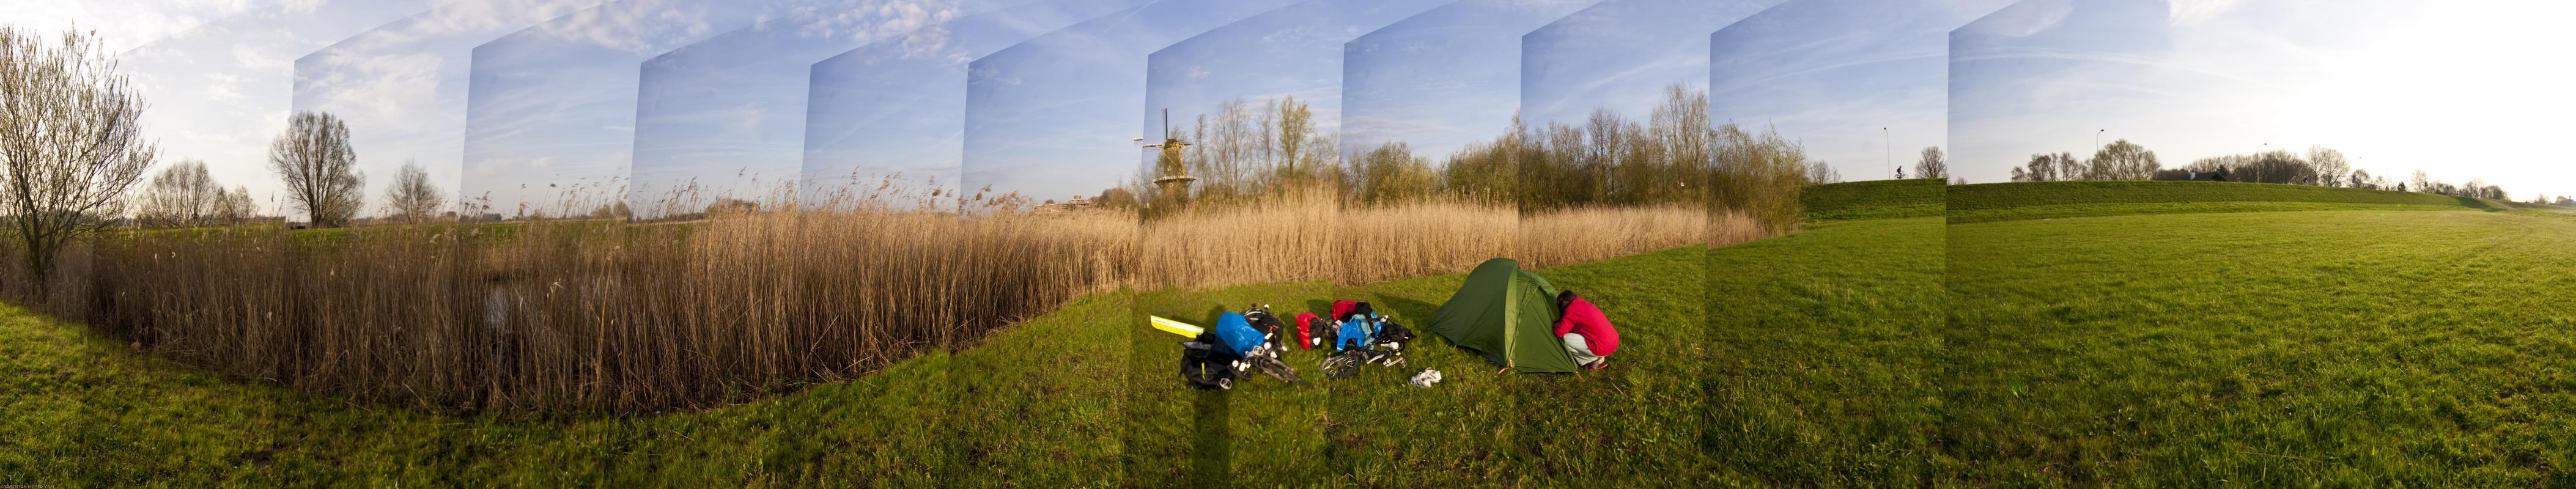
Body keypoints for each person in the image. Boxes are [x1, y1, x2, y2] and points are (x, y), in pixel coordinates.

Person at [1554, 290, 1618, 370]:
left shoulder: (1571, 310)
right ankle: (1596, 358)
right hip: (1612, 343)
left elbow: (1559, 332)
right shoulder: (1584, 304)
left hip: (1601, 347)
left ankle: (1594, 360)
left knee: (1563, 339)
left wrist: (1556, 326)